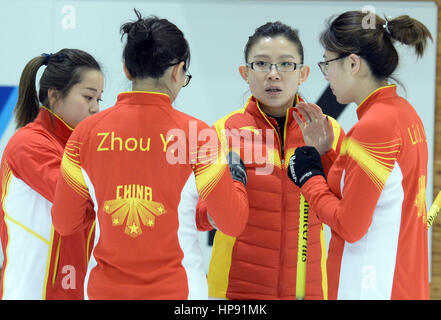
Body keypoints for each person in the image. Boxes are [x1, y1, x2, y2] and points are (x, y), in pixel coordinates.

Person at [50, 9, 249, 300]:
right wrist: (238, 178)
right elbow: (231, 222)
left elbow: (65, 222)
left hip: (105, 291)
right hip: (178, 293)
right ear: (177, 71)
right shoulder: (198, 135)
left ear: (127, 69)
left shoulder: (85, 133)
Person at [287, 11, 432, 300]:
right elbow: (369, 196)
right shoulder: (402, 113)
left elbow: (349, 225)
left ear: (353, 63)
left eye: (327, 63)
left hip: (371, 287)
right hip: (397, 283)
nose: (326, 75)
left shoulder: (375, 126)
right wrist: (327, 155)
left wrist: (308, 179)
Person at [196, 21, 345, 300]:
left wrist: (327, 153)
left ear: (303, 73)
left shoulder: (329, 132)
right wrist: (212, 214)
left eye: (286, 65)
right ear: (245, 73)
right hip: (234, 291)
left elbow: (346, 210)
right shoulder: (222, 132)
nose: (273, 75)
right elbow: (197, 213)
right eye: (261, 64)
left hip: (307, 290)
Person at [0, 49, 103, 299]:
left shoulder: (85, 148)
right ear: (55, 95)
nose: (96, 109)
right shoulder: (29, 144)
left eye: (100, 99)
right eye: (88, 97)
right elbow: (78, 201)